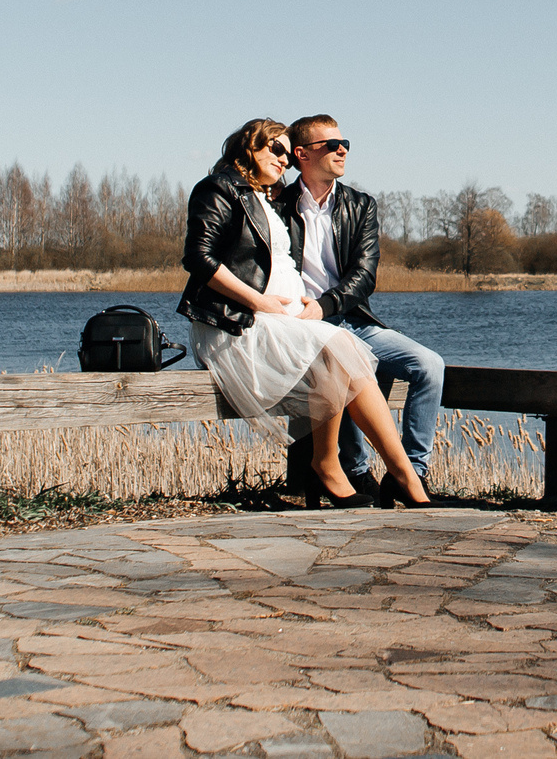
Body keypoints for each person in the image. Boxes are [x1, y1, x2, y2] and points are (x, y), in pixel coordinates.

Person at [180, 118, 430, 509]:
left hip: (278, 321)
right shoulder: (218, 188)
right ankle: (328, 464)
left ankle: (407, 479)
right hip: (236, 324)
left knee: (344, 352)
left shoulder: (265, 195)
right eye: (275, 150)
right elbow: (198, 258)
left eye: (286, 152)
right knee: (334, 347)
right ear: (249, 148)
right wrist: (258, 302)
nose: (285, 160)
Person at [281, 115, 445, 501]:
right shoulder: (277, 205)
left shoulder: (360, 205)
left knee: (430, 366)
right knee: (347, 365)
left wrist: (326, 306)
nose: (342, 150)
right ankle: (356, 473)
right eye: (331, 144)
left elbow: (364, 276)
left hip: (352, 319)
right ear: (301, 154)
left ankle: (411, 472)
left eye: (345, 144)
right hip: (304, 329)